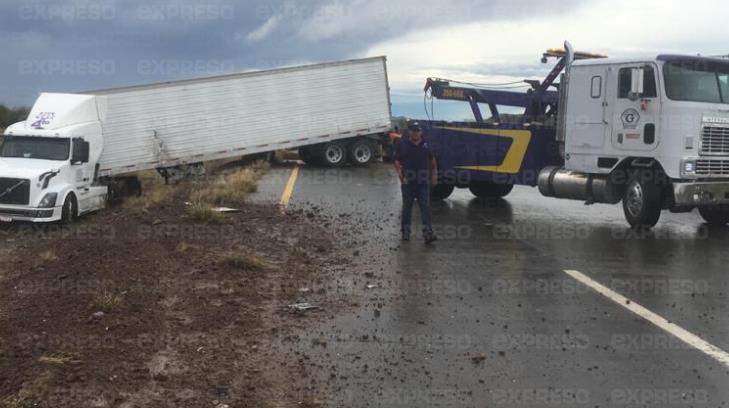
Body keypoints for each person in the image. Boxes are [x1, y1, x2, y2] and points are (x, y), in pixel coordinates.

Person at [393, 123, 437, 245]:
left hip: (423, 184)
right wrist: (401, 176)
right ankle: (405, 233)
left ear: (421, 132)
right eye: (413, 130)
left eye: (417, 130)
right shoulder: (403, 145)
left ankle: (428, 234)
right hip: (408, 184)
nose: (415, 133)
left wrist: (434, 175)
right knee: (407, 208)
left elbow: (432, 160)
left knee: (425, 208)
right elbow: (396, 160)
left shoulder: (426, 145)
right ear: (409, 132)